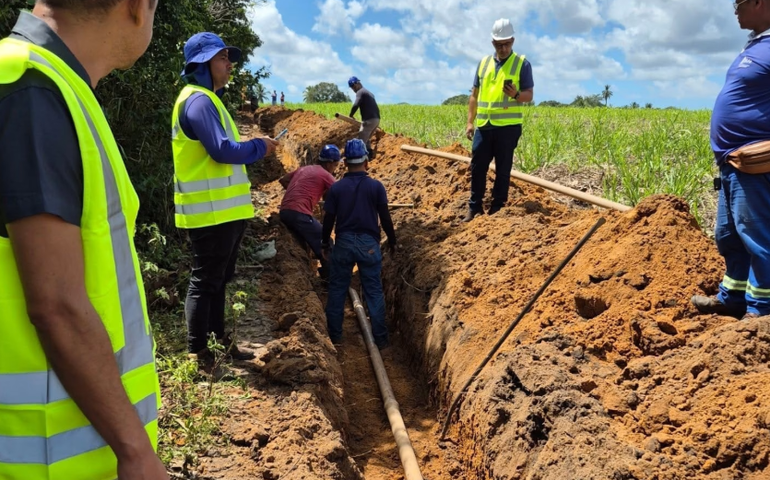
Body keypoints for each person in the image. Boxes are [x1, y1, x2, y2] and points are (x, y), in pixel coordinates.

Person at [0, 2, 168, 479]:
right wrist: (136, 451)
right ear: (135, 7)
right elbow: (56, 305)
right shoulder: (32, 90)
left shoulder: (52, 85)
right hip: (45, 460)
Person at [173, 32, 279, 364]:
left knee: (218, 280)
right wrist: (260, 146)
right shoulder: (198, 102)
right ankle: (198, 353)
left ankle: (218, 342)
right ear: (202, 63)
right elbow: (222, 151)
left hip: (224, 213)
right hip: (210, 214)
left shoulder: (209, 101)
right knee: (205, 281)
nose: (229, 64)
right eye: (222, 58)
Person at [691, 0, 770, 320]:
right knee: (729, 235)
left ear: (760, 3)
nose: (734, 8)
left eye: (739, 2)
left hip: (755, 162)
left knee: (758, 236)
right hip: (732, 163)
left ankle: (761, 311)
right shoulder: (756, 45)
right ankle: (733, 298)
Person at [322, 139, 396, 349]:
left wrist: (325, 243)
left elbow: (328, 219)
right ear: (366, 161)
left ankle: (335, 336)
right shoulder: (376, 186)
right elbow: (385, 217)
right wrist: (392, 241)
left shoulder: (336, 188)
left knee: (338, 288)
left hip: (344, 243)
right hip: (369, 244)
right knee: (373, 290)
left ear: (345, 162)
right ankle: (380, 339)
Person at [464, 18, 534, 222]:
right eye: (499, 44)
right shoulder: (484, 64)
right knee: (478, 167)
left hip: (508, 128)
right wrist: (470, 122)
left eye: (506, 44)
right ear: (492, 42)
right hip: (484, 126)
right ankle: (474, 207)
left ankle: (497, 208)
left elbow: (529, 96)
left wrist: (516, 94)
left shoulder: (522, 64)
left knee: (503, 170)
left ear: (513, 41)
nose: (503, 49)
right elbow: (474, 95)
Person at [279, 145, 341, 279]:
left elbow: (284, 180)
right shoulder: (325, 175)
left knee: (304, 241)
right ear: (329, 163)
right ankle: (332, 279)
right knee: (326, 243)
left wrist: (301, 194)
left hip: (285, 211)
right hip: (299, 214)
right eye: (335, 165)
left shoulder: (304, 169)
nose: (335, 169)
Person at [348, 76, 381, 155]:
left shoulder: (360, 92)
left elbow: (356, 105)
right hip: (376, 120)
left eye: (354, 86)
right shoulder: (370, 93)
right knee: (366, 139)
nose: (353, 89)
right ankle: (369, 154)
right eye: (352, 88)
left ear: (358, 83)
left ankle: (361, 158)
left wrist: (351, 115)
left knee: (360, 141)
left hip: (369, 120)